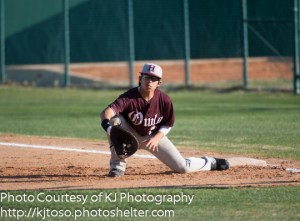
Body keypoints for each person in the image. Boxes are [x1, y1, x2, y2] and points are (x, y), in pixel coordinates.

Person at [100, 63, 229, 177]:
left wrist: (156, 138)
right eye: (146, 77)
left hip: (153, 137)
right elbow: (106, 112)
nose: (149, 81)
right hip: (130, 134)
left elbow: (169, 123)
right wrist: (109, 129)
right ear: (140, 79)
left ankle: (210, 162)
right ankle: (117, 166)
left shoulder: (164, 100)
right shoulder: (129, 97)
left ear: (159, 83)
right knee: (115, 121)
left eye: (153, 78)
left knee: (183, 167)